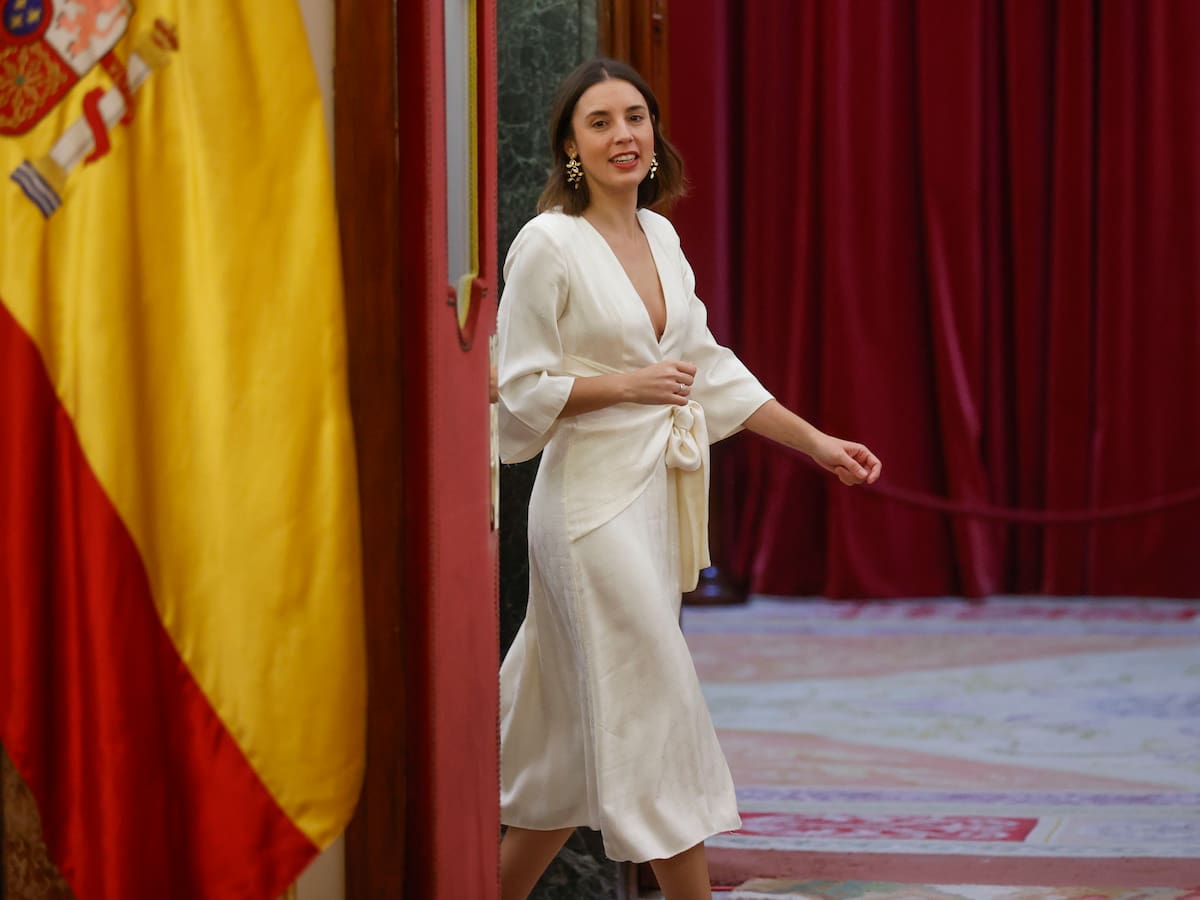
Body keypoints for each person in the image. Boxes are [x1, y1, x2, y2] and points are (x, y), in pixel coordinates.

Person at [496, 58, 882, 900]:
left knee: (567, 751)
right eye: (600, 122)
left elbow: (708, 368)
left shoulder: (661, 237)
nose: (623, 135)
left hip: (651, 503)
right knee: (658, 706)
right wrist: (624, 386)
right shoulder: (548, 243)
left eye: (634, 117)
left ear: (654, 131)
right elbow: (517, 388)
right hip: (585, 511)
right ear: (570, 147)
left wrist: (815, 443)